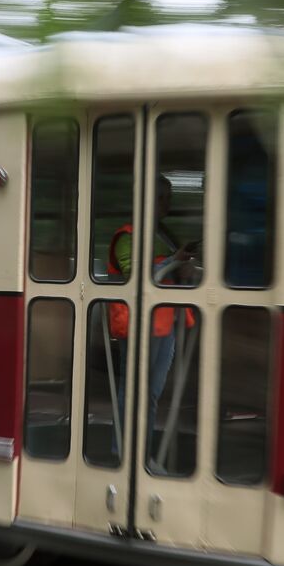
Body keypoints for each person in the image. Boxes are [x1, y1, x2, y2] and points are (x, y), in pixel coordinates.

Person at [106, 176, 199, 437]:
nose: (168, 204)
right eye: (164, 198)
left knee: (151, 394)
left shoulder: (163, 234)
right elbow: (137, 277)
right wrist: (174, 259)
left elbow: (169, 273)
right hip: (139, 324)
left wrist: (185, 267)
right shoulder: (127, 237)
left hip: (165, 324)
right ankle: (122, 452)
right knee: (134, 391)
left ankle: (142, 456)